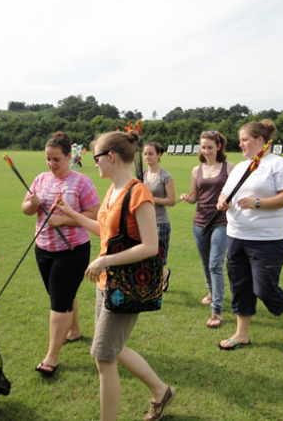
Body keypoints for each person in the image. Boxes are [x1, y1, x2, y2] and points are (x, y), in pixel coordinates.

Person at [56, 130, 176, 421]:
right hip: (106, 284)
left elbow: (150, 246)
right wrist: (73, 214)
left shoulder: (139, 193)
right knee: (110, 349)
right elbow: (107, 232)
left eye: (95, 157)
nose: (91, 162)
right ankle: (162, 392)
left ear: (110, 157)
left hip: (126, 285)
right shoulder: (112, 191)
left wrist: (105, 260)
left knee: (103, 356)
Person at [216, 120, 283, 350]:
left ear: (260, 140)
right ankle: (241, 334)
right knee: (240, 285)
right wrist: (221, 201)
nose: (241, 144)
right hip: (236, 236)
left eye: (245, 140)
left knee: (264, 288)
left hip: (268, 239)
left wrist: (258, 202)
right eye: (240, 140)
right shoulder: (240, 168)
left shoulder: (279, 164)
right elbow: (225, 193)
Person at [21, 132, 100, 376]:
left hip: (72, 251)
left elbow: (95, 215)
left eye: (56, 159)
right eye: (48, 159)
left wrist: (63, 220)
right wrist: (32, 204)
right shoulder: (40, 179)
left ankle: (51, 357)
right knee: (62, 295)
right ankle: (74, 331)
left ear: (69, 157)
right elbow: (25, 209)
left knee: (59, 302)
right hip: (43, 248)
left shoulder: (82, 182)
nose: (51, 164)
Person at [179, 131, 234, 329]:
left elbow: (234, 195)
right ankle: (211, 291)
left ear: (218, 146)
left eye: (210, 147)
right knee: (205, 263)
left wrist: (228, 202)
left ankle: (216, 310)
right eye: (203, 147)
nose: (206, 151)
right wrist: (188, 197)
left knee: (215, 264)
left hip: (221, 222)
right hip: (199, 222)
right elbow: (195, 196)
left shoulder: (229, 168)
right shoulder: (197, 170)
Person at [142, 142, 175, 291]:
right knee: (145, 256)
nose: (147, 157)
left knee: (158, 257)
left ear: (159, 155)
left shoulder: (165, 176)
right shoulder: (141, 175)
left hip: (160, 222)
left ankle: (156, 283)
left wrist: (151, 198)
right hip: (143, 222)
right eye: (145, 154)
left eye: (150, 153)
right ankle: (163, 275)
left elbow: (171, 200)